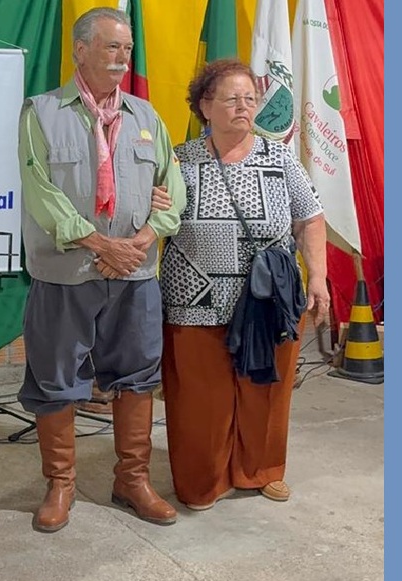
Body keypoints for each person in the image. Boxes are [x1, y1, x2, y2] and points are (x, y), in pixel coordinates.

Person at [18, 7, 187, 533]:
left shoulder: (146, 117)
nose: (122, 58)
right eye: (112, 47)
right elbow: (41, 193)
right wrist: (99, 243)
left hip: (135, 274)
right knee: (56, 379)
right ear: (80, 50)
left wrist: (141, 238)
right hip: (66, 273)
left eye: (127, 49)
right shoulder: (40, 113)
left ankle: (132, 480)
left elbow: (172, 188)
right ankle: (61, 484)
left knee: (138, 376)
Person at [159, 59, 330, 511]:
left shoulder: (280, 157)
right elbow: (156, 219)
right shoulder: (178, 159)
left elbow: (310, 219)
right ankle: (203, 481)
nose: (243, 106)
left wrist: (319, 277)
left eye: (250, 98)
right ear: (204, 106)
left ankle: (262, 469)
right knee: (201, 398)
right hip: (195, 297)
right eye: (231, 98)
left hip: (270, 295)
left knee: (265, 389)